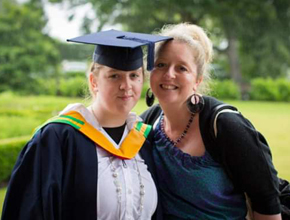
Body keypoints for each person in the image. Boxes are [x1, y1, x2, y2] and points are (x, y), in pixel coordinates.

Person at [1, 30, 171, 220]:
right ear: (94, 81)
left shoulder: (145, 141)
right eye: (114, 76)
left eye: (133, 76)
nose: (126, 85)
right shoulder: (56, 139)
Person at [141, 23, 282, 220]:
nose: (169, 74)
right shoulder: (148, 123)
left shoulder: (225, 126)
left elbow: (266, 205)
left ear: (197, 80)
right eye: (161, 65)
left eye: (181, 68)